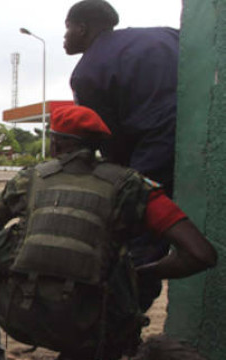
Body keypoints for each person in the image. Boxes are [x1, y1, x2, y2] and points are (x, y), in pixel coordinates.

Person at [0, 105, 216, 360]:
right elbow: (201, 254)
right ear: (98, 145)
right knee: (122, 268)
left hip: (21, 316)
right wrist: (141, 275)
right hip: (96, 330)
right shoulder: (131, 186)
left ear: (55, 143)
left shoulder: (28, 179)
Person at [64, 0, 180, 311]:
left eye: (67, 29)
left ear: (82, 28)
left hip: (154, 150)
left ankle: (125, 319)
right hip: (192, 143)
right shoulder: (166, 35)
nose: (65, 38)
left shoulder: (87, 72)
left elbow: (109, 144)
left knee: (136, 234)